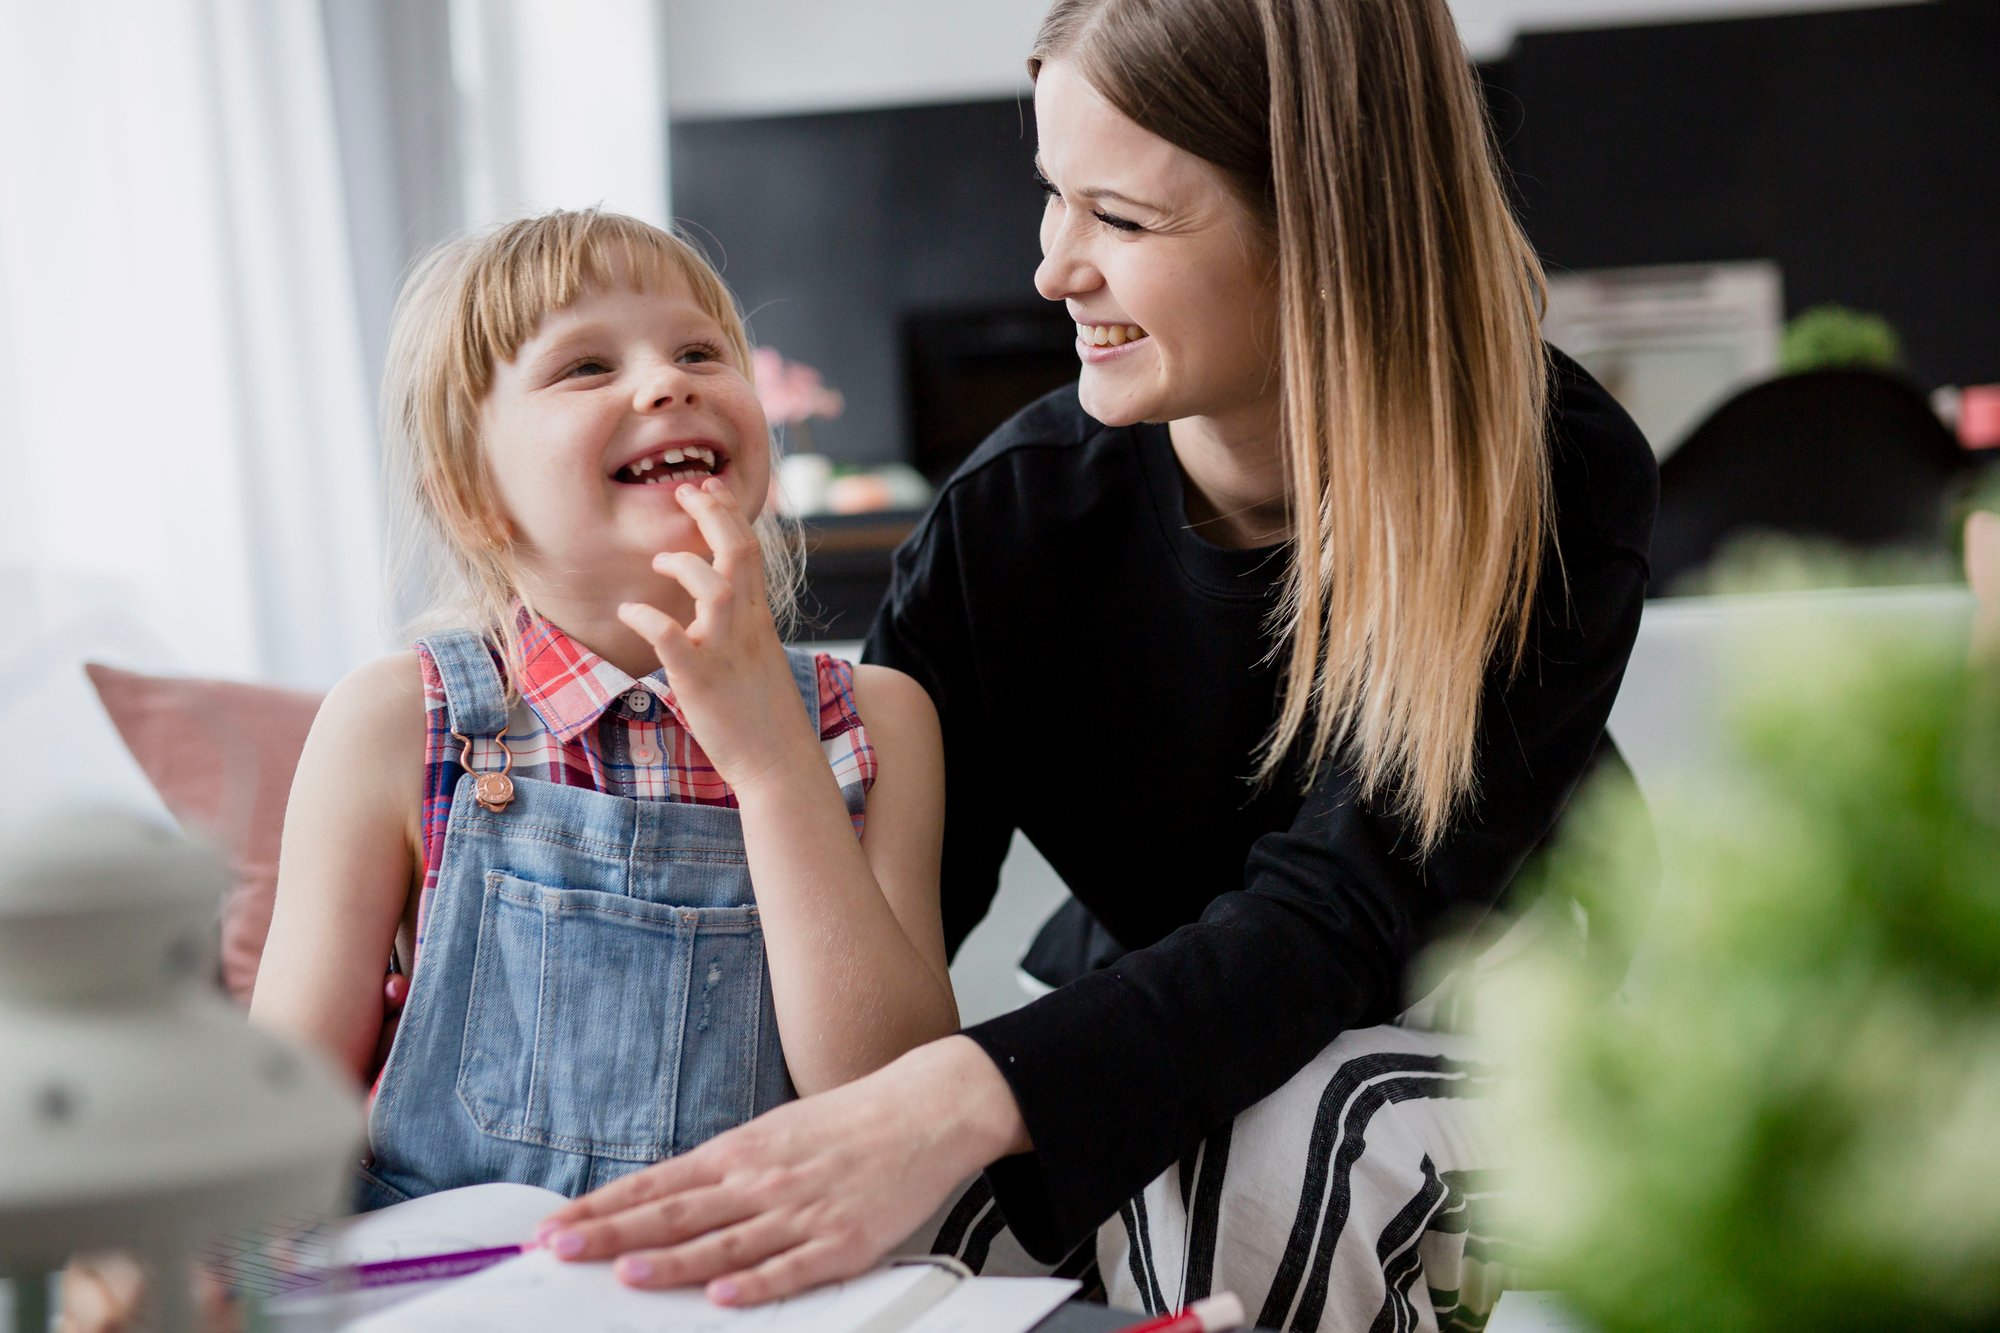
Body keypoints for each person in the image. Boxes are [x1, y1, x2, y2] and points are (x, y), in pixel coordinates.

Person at [533, 1, 1657, 1327]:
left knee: (1272, 1142)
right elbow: (878, 949)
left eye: (1119, 219)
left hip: (1499, 1017)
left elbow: (1341, 919)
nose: (1054, 269)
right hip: (1172, 999)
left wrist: (966, 1095)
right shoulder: (1006, 526)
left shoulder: (1547, 467)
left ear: (1326, 230)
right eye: (1053, 198)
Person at [248, 208, 958, 1206]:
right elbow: (276, 1113)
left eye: (700, 350)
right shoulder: (396, 723)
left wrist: (771, 764)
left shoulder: (874, 720)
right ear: (469, 492)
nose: (667, 381)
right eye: (586, 366)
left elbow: (890, 1098)